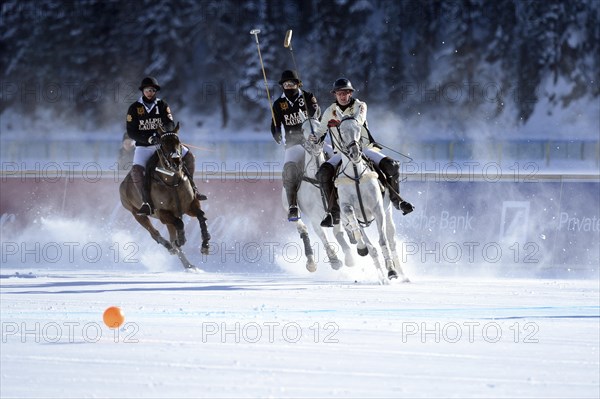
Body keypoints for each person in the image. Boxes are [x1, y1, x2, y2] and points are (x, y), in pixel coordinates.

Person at [313, 77, 414, 227]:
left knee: (392, 165)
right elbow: (321, 131)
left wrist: (340, 123)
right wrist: (313, 138)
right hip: (341, 153)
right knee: (322, 173)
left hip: (363, 148)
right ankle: (333, 213)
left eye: (346, 93)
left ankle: (397, 200)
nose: (342, 96)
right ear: (335, 94)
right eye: (339, 93)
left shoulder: (360, 106)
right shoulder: (330, 111)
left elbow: (358, 121)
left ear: (350, 93)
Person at [126, 76, 205, 215]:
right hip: (144, 147)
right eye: (147, 90)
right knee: (137, 171)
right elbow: (131, 132)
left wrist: (163, 134)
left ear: (155, 91)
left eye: (152, 90)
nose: (149, 92)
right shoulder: (134, 108)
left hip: (163, 145)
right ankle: (146, 202)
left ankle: (193, 188)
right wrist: (149, 138)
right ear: (143, 91)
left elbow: (169, 123)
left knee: (189, 156)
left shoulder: (162, 105)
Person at [271, 70, 320, 221]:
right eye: (286, 84)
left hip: (311, 141)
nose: (289, 86)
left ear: (298, 84)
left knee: (332, 161)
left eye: (291, 83)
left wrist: (313, 112)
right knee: (289, 170)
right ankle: (293, 206)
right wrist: (276, 133)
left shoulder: (307, 96)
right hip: (293, 143)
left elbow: (317, 114)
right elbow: (275, 124)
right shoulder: (279, 103)